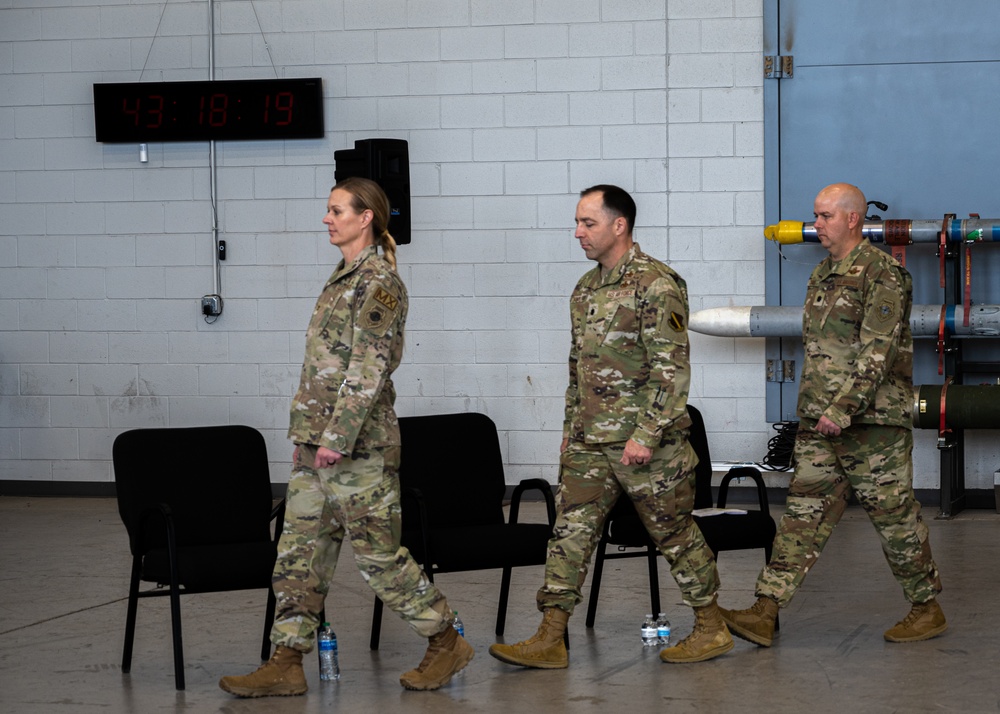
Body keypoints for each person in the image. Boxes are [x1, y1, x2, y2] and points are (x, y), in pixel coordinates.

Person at [220, 177, 473, 698]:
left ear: (366, 218)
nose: (326, 218)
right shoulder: (341, 277)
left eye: (336, 210)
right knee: (298, 556)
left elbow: (367, 369)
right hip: (320, 447)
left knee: (380, 559)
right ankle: (287, 663)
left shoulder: (378, 282)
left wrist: (335, 436)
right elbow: (323, 370)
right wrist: (309, 437)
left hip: (358, 449)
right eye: (327, 210)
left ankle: (445, 640)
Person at [489, 185, 733, 669]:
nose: (578, 232)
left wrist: (644, 434)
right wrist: (568, 427)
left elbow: (671, 371)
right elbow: (577, 365)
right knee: (568, 533)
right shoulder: (586, 288)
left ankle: (712, 626)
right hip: (588, 442)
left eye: (588, 223)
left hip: (644, 445)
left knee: (675, 535)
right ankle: (551, 636)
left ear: (618, 226)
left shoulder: (657, 284)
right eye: (578, 223)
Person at [719, 182, 946, 647]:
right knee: (802, 513)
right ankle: (766, 609)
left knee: (893, 516)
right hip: (820, 423)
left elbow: (876, 352)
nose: (815, 224)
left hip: (872, 425)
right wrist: (816, 414)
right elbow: (824, 353)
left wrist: (841, 410)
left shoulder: (881, 273)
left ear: (852, 219)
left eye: (823, 216)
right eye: (816, 215)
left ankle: (927, 608)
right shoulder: (823, 273)